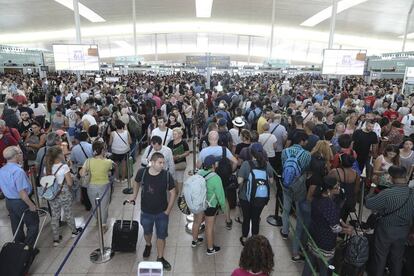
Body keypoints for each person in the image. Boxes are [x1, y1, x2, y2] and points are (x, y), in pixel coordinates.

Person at [129, 152, 176, 271]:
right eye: (160, 163)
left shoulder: (166, 175)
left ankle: (160, 257)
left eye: (163, 163)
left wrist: (168, 210)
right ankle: (148, 245)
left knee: (161, 236)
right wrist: (134, 195)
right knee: (147, 232)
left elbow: (173, 193)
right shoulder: (142, 172)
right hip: (146, 211)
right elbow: (136, 182)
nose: (162, 165)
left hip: (162, 213)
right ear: (152, 162)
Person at [365, 166, 414, 276]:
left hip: (385, 230)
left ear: (392, 178)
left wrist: (373, 186)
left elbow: (368, 203)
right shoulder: (412, 193)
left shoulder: (387, 193)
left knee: (380, 257)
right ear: (405, 176)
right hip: (403, 231)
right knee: (397, 259)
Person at [302, 176, 354, 276]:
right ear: (329, 190)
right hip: (325, 243)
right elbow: (335, 228)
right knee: (324, 269)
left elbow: (331, 217)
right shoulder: (328, 205)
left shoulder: (317, 198)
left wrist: (342, 223)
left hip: (313, 237)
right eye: (336, 187)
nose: (339, 188)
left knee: (309, 264)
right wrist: (346, 230)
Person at [0, 146, 39, 248]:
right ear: (16, 156)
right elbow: (22, 193)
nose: (22, 155)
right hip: (21, 201)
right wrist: (31, 205)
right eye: (20, 153)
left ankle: (18, 246)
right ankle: (27, 249)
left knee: (16, 225)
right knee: (33, 223)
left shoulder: (2, 170)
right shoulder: (18, 172)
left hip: (9, 201)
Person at [280, 131, 311, 262]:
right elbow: (306, 170)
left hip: (286, 183)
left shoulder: (284, 151)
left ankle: (285, 231)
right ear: (302, 141)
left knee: (286, 208)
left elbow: (283, 166)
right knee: (300, 214)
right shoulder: (307, 154)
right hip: (299, 186)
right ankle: (296, 246)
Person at [43, 146, 82, 246]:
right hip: (64, 193)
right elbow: (69, 183)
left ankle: (56, 238)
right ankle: (74, 231)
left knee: (55, 216)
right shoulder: (64, 167)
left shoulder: (46, 168)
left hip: (52, 195)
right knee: (68, 213)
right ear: (59, 155)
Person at [237, 143, 274, 246]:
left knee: (246, 218)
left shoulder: (246, 164)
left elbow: (240, 181)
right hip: (260, 197)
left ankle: (244, 238)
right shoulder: (267, 164)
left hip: (245, 197)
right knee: (256, 218)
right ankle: (254, 239)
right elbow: (271, 181)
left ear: (250, 153)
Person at [191, 155, 227, 255]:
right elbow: (221, 196)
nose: (217, 164)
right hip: (210, 205)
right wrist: (223, 207)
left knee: (197, 222)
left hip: (199, 203)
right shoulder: (216, 178)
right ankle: (210, 249)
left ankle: (194, 241)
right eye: (216, 162)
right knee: (209, 227)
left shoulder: (199, 173)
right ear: (213, 165)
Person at [80, 140, 113, 232]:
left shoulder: (88, 161)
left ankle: (97, 219)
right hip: (104, 185)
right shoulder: (108, 162)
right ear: (103, 150)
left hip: (91, 186)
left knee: (94, 205)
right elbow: (110, 172)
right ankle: (103, 224)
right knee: (104, 205)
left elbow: (82, 173)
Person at [328, 153, 360, 222]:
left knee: (333, 219)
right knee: (344, 218)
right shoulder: (356, 174)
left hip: (337, 200)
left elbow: (327, 183)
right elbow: (356, 190)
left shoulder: (335, 172)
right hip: (349, 201)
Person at [70, 131, 93, 210]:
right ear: (87, 138)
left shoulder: (74, 148)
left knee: (84, 187)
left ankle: (87, 205)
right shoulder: (91, 146)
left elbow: (73, 160)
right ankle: (93, 201)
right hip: (90, 167)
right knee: (92, 184)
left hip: (81, 168)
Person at [167, 127, 189, 196]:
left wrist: (180, 156)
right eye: (173, 134)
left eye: (175, 134)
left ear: (180, 134)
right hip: (172, 163)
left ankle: (179, 193)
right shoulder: (170, 143)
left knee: (180, 178)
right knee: (174, 178)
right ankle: (176, 191)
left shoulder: (183, 143)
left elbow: (187, 152)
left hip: (181, 163)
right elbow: (168, 151)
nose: (173, 136)